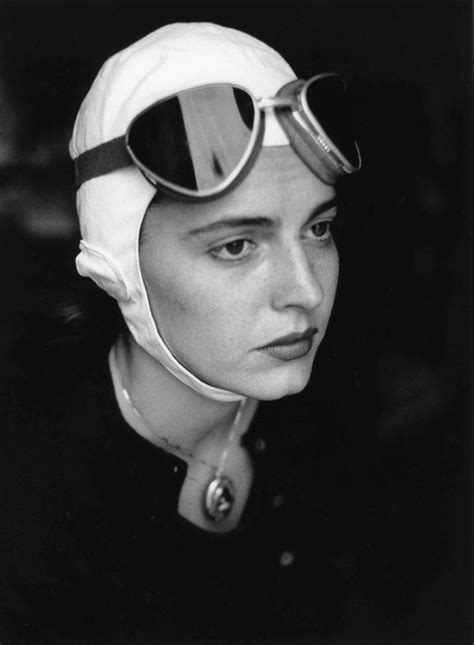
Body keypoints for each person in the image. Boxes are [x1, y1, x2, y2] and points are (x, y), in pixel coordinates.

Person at [0, 22, 400, 644]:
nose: (308, 291)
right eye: (237, 245)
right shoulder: (31, 511)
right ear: (118, 267)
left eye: (319, 230)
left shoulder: (330, 403)